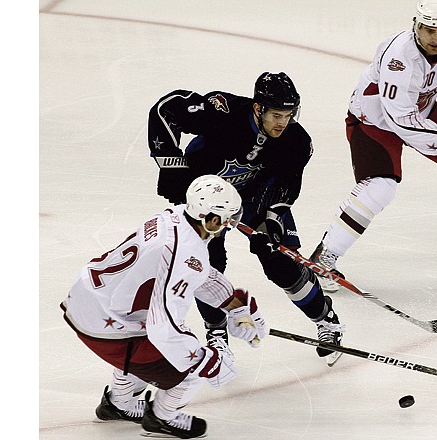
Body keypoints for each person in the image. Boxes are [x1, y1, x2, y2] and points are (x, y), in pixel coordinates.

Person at [147, 72, 344, 365]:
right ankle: (216, 332)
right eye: (276, 114)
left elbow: (286, 186)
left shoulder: (297, 141)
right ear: (258, 108)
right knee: (207, 266)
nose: (283, 122)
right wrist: (171, 164)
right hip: (209, 199)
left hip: (255, 198)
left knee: (281, 265)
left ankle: (326, 319)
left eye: (288, 115)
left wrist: (272, 221)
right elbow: (167, 109)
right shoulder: (223, 112)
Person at [309, 0, 437, 292]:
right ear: (416, 25)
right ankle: (325, 255)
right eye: (428, 29)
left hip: (422, 108)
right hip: (374, 118)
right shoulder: (400, 56)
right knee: (380, 188)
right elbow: (401, 119)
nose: (435, 38)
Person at [61, 175, 267, 438]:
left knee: (146, 338)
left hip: (88, 300)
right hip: (105, 324)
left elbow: (197, 271)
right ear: (212, 219)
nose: (230, 224)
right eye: (227, 218)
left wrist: (236, 307)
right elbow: (165, 327)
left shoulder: (176, 218)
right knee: (188, 366)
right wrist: (208, 361)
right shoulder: (185, 251)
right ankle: (162, 419)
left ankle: (119, 404)